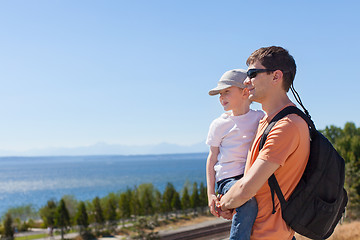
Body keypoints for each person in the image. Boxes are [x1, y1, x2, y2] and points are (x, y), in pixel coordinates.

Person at [218, 46, 310, 240]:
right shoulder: (266, 121)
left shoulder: (287, 126)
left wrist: (223, 203)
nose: (246, 81)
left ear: (276, 76)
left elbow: (246, 189)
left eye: (252, 74)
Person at [206, 69, 264, 240]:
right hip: (228, 179)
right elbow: (211, 160)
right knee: (248, 201)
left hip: (251, 175)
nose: (221, 97)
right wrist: (210, 193)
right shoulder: (219, 124)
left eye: (226, 92)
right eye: (220, 93)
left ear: (245, 92)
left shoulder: (261, 118)